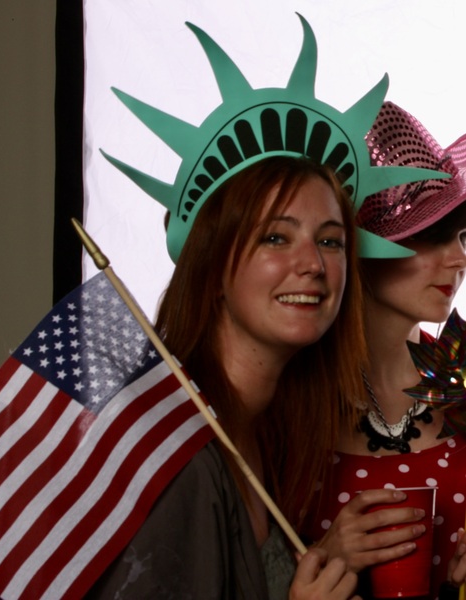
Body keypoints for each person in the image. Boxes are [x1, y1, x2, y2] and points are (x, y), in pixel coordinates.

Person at [86, 18, 441, 599]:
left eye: (329, 241)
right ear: (214, 265)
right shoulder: (174, 452)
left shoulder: (269, 434)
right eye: (276, 237)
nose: (312, 264)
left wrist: (321, 564)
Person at [301, 101, 466, 599]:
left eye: (460, 234)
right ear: (360, 248)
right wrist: (319, 564)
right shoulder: (289, 393)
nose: (460, 257)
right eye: (429, 235)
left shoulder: (463, 370)